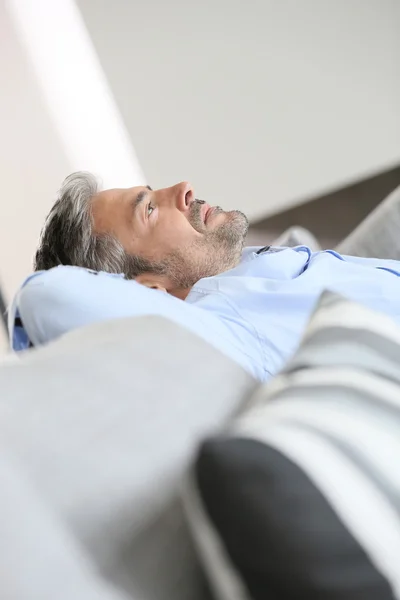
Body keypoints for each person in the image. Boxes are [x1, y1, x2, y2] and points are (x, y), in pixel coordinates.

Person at [9, 172, 400, 381]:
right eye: (149, 210)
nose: (183, 189)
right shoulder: (226, 332)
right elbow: (44, 297)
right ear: (146, 290)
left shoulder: (242, 272)